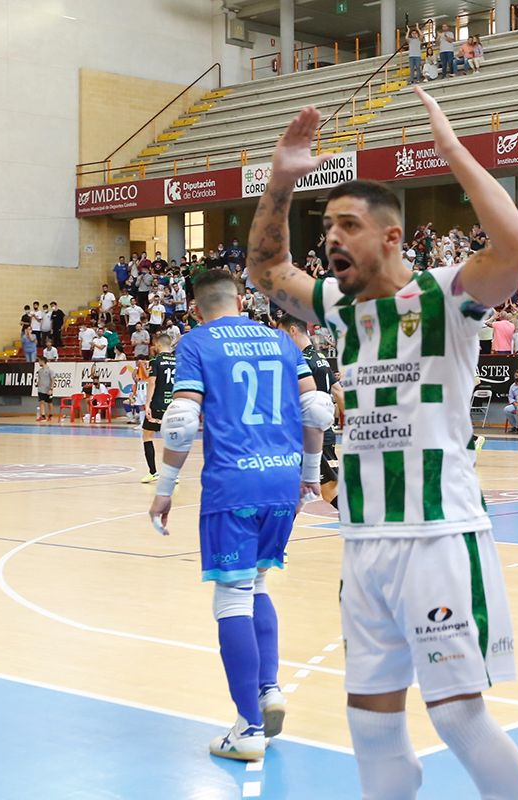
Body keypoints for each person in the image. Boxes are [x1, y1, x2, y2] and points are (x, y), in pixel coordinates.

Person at [241, 92, 518, 798]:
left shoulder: (448, 296)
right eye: (327, 226)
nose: (331, 238)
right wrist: (281, 180)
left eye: (348, 224)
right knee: (370, 727)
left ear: (393, 237)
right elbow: (267, 271)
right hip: (365, 540)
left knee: (459, 717)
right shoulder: (341, 308)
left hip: (439, 536)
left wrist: (453, 151)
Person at [147, 269, 328, 761]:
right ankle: (268, 689)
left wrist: (165, 489)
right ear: (242, 297)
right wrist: (310, 473)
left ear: (193, 305)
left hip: (234, 484)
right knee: (259, 586)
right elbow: (317, 411)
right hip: (282, 481)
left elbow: (182, 422)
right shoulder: (283, 341)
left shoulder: (195, 343)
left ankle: (247, 729)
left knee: (231, 599)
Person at [280, 314, 342, 509]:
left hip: (311, 433)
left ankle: (366, 526)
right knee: (293, 492)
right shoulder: (321, 358)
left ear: (292, 330)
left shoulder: (300, 362)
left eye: (283, 335)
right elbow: (339, 392)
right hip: (321, 431)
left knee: (330, 489)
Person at [139, 332, 177, 483]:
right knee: (172, 438)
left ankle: (153, 472)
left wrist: (147, 403)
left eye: (155, 345)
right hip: (173, 404)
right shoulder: (178, 361)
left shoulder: (156, 361)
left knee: (147, 435)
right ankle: (174, 474)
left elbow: (152, 383)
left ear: (159, 345)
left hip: (158, 404)